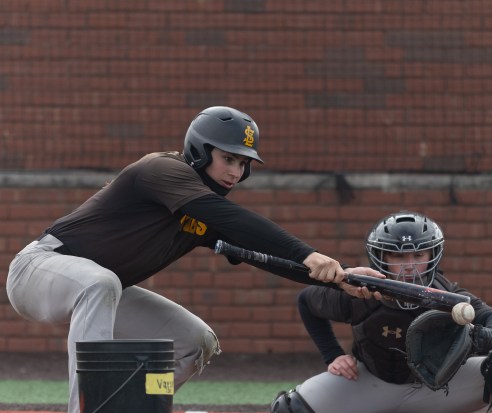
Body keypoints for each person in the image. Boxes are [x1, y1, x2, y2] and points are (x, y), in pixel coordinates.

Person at [5, 106, 382, 413]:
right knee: (99, 282)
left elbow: (264, 255)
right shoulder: (163, 170)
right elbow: (236, 221)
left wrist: (339, 278)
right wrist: (308, 252)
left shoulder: (204, 210)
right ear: (200, 151)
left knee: (193, 340)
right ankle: (86, 409)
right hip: (38, 270)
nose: (236, 171)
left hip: (100, 290)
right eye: (228, 159)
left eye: (244, 163)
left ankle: (141, 402)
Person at [270, 211, 492, 413]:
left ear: (432, 255)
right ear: (381, 258)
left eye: (417, 256)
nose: (408, 266)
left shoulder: (449, 295)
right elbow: (307, 302)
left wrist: (485, 336)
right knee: (288, 409)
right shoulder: (359, 290)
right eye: (398, 256)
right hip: (372, 382)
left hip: (439, 392)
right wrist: (332, 355)